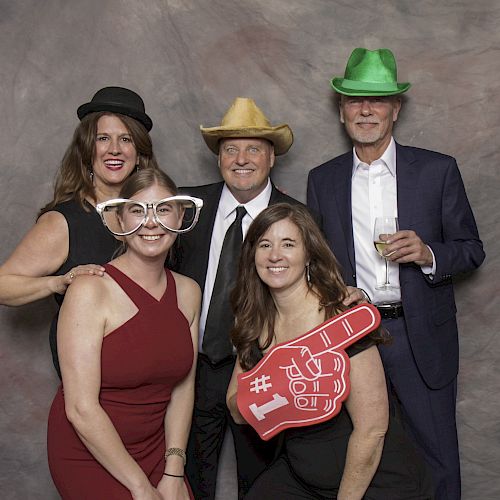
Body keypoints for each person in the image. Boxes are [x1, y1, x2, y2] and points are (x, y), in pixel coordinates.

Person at [307, 48, 485, 499]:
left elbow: (471, 250)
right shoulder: (322, 179)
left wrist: (427, 253)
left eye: (378, 100)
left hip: (417, 333)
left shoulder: (437, 170)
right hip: (352, 337)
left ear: (396, 109)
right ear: (342, 111)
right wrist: (335, 289)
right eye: (354, 101)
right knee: (360, 455)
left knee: (437, 456)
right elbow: (315, 261)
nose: (366, 110)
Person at [175, 97, 361, 499]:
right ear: (218, 157)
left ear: (272, 157)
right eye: (230, 149)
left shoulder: (298, 217)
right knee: (192, 479)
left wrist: (350, 293)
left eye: (253, 148)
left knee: (262, 482)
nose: (241, 158)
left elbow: (325, 284)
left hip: (266, 371)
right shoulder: (186, 209)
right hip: (195, 371)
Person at [226, 203, 434, 499]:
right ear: (253, 255)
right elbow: (236, 410)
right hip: (303, 474)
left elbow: (372, 430)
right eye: (264, 245)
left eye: (288, 244)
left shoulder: (342, 318)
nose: (275, 255)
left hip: (373, 482)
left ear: (308, 253)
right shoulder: (256, 321)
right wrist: (279, 384)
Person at [47, 168, 202, 499]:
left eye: (162, 209)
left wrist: (174, 470)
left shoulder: (188, 291)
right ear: (119, 221)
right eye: (137, 210)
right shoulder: (89, 290)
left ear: (179, 216)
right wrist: (140, 487)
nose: (150, 222)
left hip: (156, 449)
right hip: (90, 449)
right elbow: (80, 408)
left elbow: (183, 387)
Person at [0, 86, 159, 376]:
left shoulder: (156, 217)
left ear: (139, 153)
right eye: (103, 138)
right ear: (87, 151)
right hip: (91, 382)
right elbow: (4, 284)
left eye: (125, 139)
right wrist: (57, 283)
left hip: (149, 377)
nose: (114, 149)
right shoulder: (63, 221)